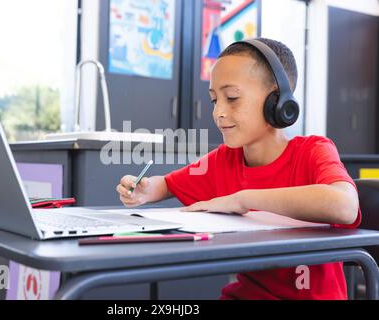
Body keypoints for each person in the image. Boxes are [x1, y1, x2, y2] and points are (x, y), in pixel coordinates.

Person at [116, 38, 360, 300]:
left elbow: (344, 206)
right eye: (214, 100)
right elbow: (166, 185)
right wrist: (144, 189)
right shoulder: (223, 160)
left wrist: (244, 199)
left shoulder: (312, 151)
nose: (218, 112)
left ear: (277, 101)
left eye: (232, 98)